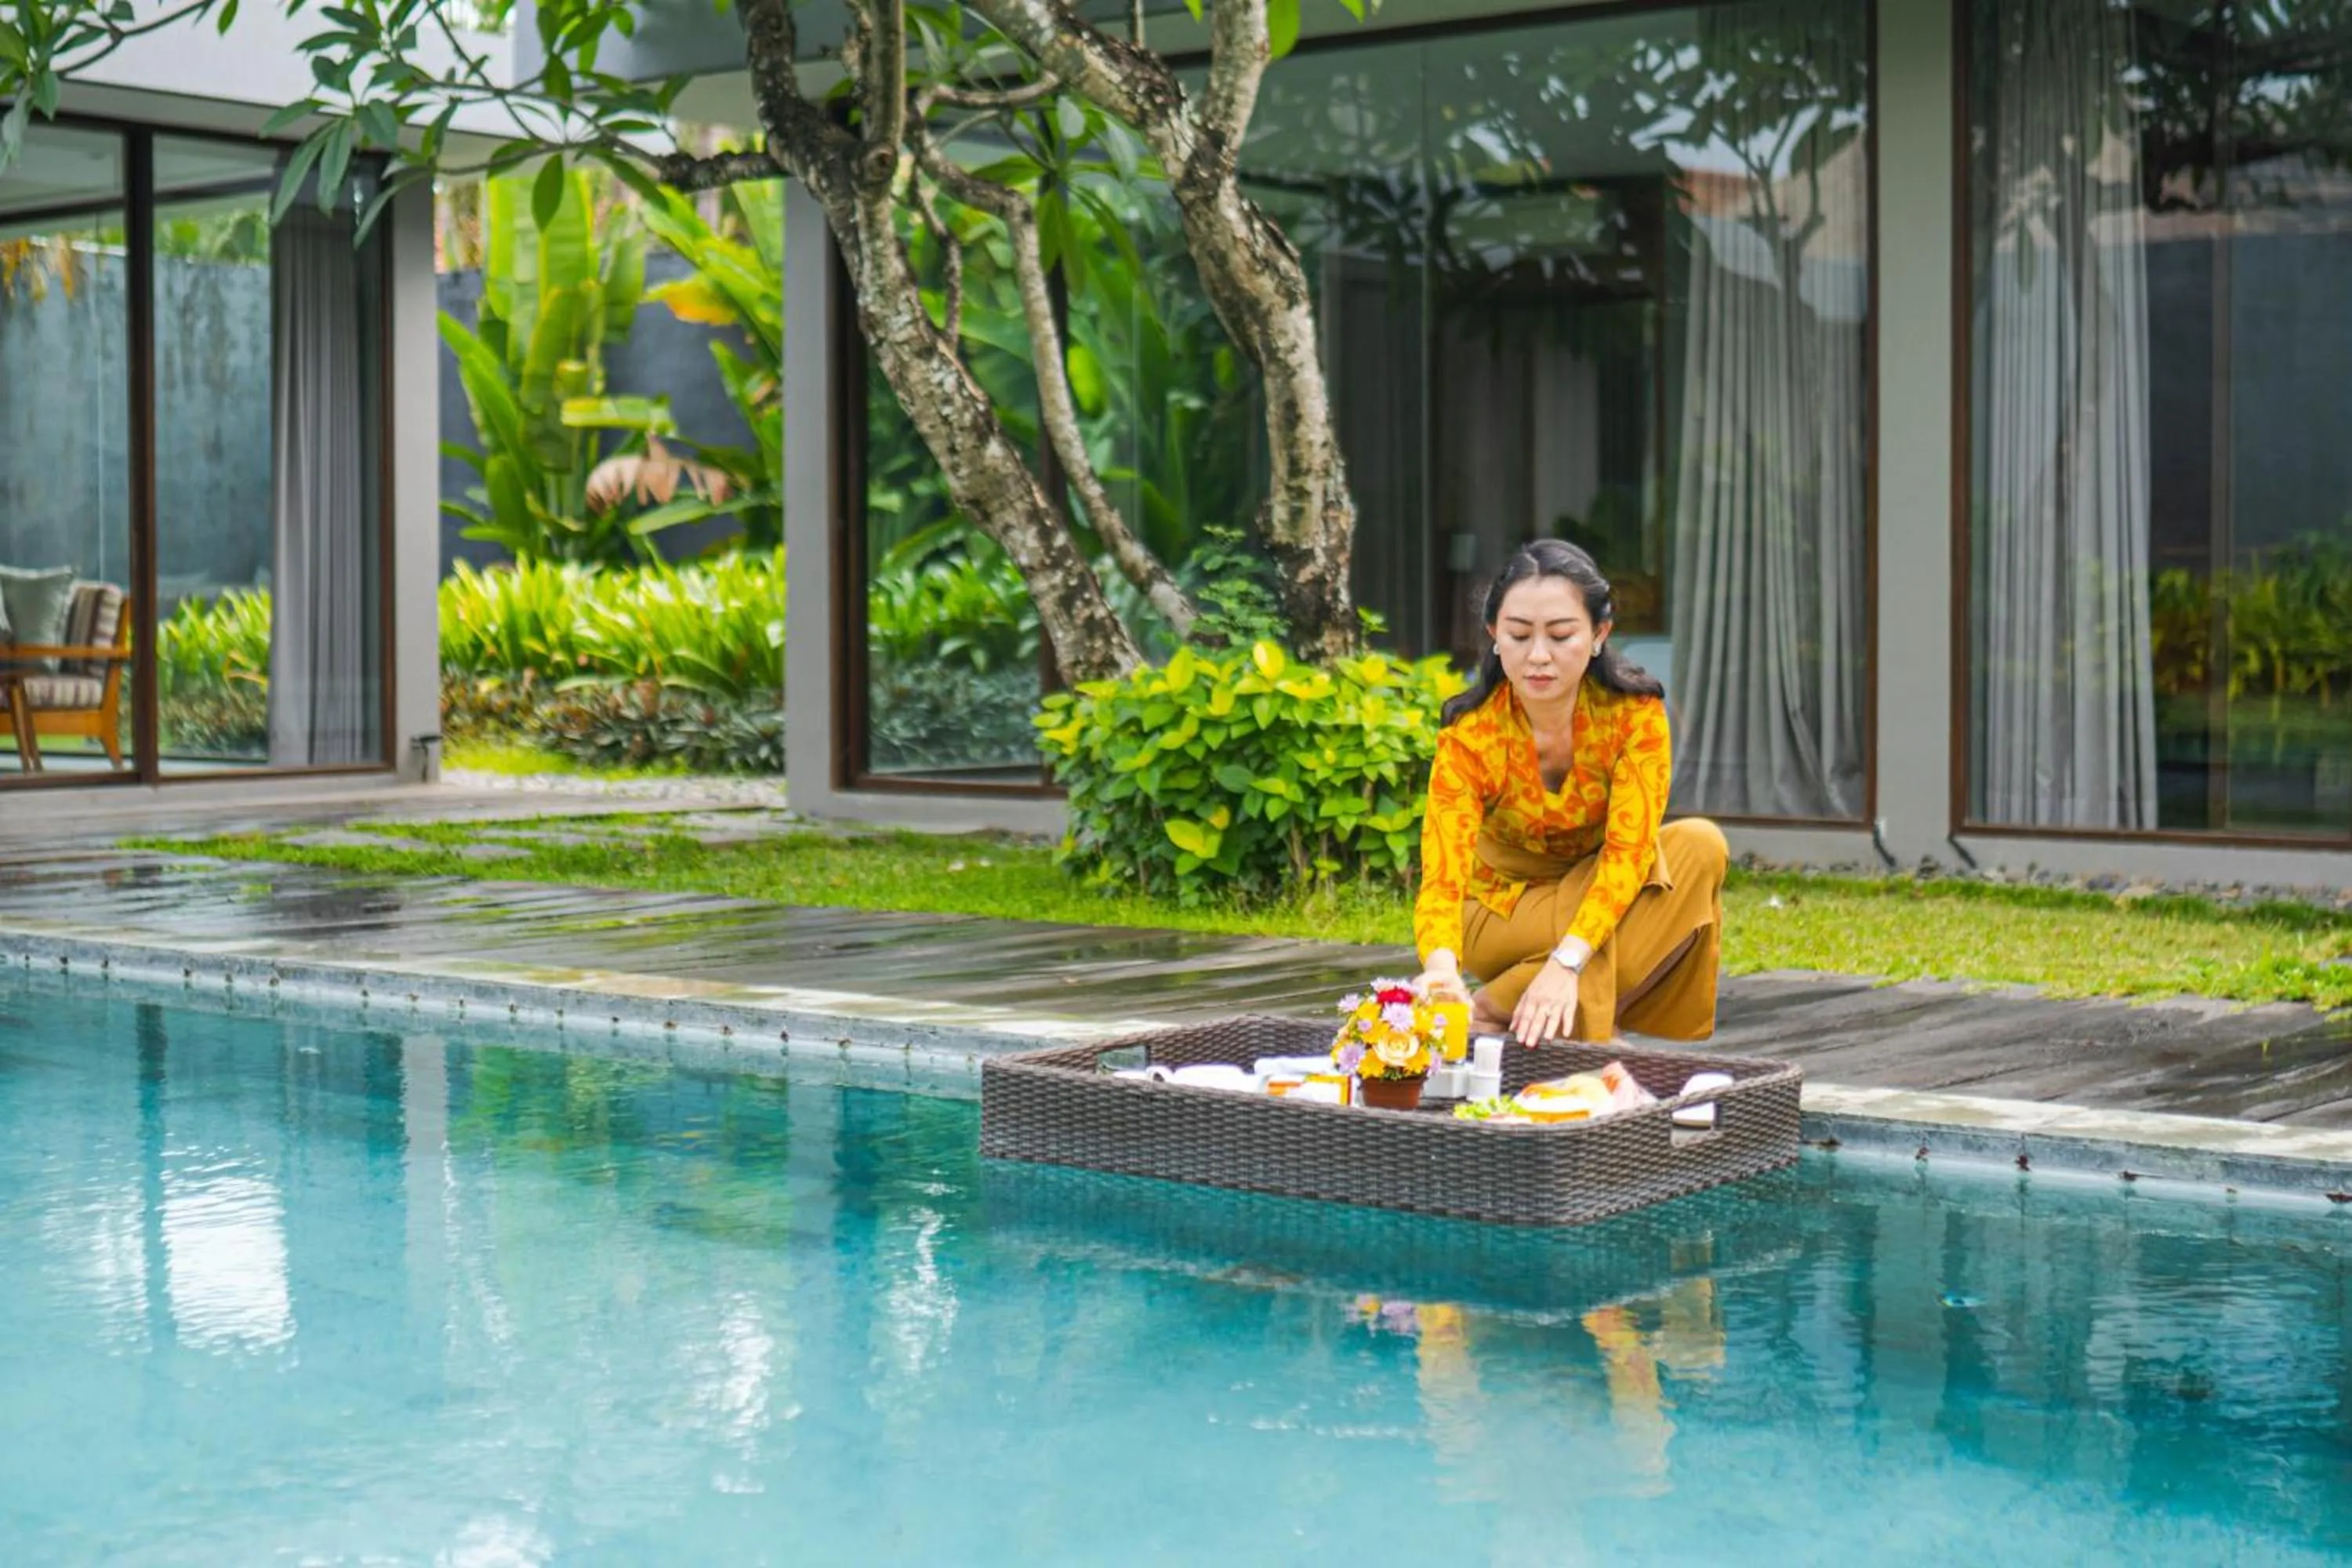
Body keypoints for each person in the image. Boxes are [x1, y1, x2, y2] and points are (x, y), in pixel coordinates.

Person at [1412, 539, 1728, 1046]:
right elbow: (1443, 876)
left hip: (1592, 901)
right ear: (1494, 635)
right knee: (1615, 910)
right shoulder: (1471, 734)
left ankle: (1496, 1005)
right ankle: (1583, 1019)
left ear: (1599, 634)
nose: (1538, 656)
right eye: (1519, 635)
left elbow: (1628, 855)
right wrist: (1442, 967)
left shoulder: (1635, 714)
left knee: (1700, 846)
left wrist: (1567, 963)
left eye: (1561, 635)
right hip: (1501, 913)